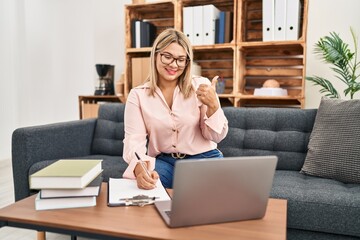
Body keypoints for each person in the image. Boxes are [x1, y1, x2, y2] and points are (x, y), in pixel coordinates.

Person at [122, 28, 228, 189]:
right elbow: (133, 142)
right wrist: (140, 169)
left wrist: (214, 106)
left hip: (203, 158)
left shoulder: (200, 85)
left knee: (211, 200)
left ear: (187, 62)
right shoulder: (138, 95)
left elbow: (215, 136)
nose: (173, 64)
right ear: (156, 55)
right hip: (163, 162)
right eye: (167, 57)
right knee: (143, 191)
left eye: (180, 59)